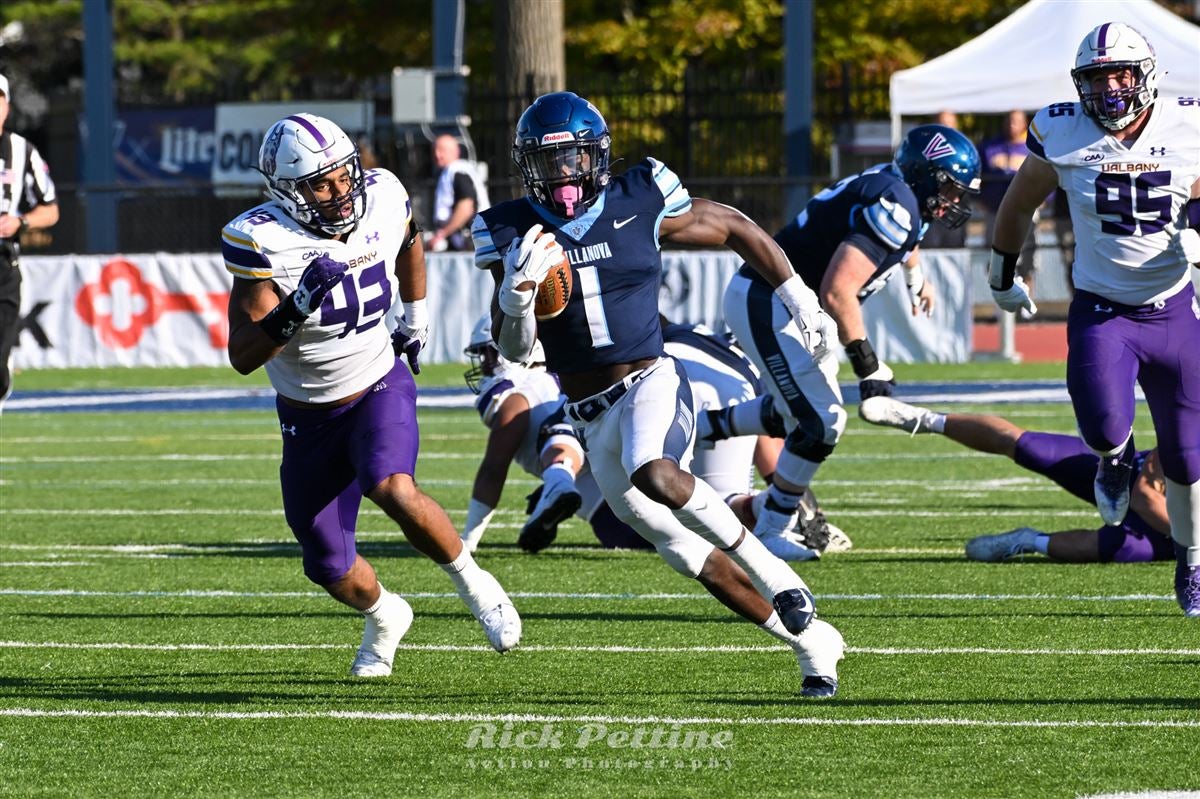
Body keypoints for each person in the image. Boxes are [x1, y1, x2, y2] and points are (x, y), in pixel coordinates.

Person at [472, 91, 845, 697]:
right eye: (548, 162)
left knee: (657, 473)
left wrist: (799, 298)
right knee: (675, 547)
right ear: (527, 165)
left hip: (651, 379)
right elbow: (514, 352)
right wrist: (516, 298)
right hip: (587, 414)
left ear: (597, 155)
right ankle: (810, 643)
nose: (562, 174)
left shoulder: (639, 195)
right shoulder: (509, 229)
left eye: (573, 158)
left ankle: (777, 573)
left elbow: (733, 226)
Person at [220, 113, 522, 677]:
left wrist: (418, 315)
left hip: (377, 380)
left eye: (342, 175)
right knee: (328, 565)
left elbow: (408, 239)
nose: (339, 192)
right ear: (287, 191)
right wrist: (297, 305)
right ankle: (386, 616)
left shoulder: (383, 193)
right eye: (320, 183)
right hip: (308, 416)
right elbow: (243, 355)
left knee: (392, 486)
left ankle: (478, 587)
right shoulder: (262, 240)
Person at [986, 23, 1200, 616]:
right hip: (1103, 309)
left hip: (1174, 310)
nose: (1109, 88)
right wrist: (1002, 274)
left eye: (1120, 74)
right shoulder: (1061, 129)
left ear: (1146, 74)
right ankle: (1114, 463)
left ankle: (1191, 559)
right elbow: (1019, 203)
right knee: (1105, 426)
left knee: (1188, 462)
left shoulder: (1190, 123)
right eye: (1097, 77)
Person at [708, 123, 981, 553]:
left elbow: (908, 240)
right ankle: (773, 529)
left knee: (801, 410)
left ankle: (707, 429)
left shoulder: (899, 193)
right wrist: (870, 370)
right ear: (925, 175)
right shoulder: (898, 202)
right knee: (822, 421)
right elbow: (838, 291)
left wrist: (916, 277)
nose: (953, 201)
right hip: (768, 300)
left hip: (785, 306)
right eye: (948, 188)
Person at [859, 396, 1173, 563]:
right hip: (1131, 480)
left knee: (1116, 550)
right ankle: (925, 420)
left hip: (1169, 532)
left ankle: (1027, 541)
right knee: (1027, 447)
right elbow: (1145, 493)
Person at [0, 73, 58, 410]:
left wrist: (20, 221)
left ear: (7, 106)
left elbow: (50, 210)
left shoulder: (22, 151)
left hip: (4, 265)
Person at [978, 110, 1039, 314]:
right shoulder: (990, 147)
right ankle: (1000, 299)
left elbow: (1047, 178)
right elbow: (978, 180)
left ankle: (1027, 302)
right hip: (996, 212)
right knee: (996, 257)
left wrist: (1040, 202)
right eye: (1009, 120)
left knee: (1028, 257)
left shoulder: (1032, 148)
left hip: (1027, 212)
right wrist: (984, 202)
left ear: (1024, 124)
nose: (1012, 125)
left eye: (1017, 121)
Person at [426, 134, 489, 252]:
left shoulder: (457, 171)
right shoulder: (456, 170)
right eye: (434, 150)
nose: (437, 155)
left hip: (467, 241)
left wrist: (442, 234)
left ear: (456, 151)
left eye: (443, 150)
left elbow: (466, 206)